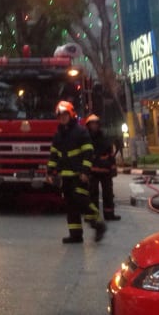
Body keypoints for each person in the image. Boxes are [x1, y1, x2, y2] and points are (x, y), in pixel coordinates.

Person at [47, 101, 107, 244]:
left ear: (71, 114)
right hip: (66, 177)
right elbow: (54, 155)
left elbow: (88, 152)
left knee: (81, 200)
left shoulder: (80, 132)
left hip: (79, 175)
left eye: (65, 115)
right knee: (70, 205)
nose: (62, 118)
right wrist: (50, 172)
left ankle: (98, 224)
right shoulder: (58, 135)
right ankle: (75, 234)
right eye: (60, 116)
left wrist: (85, 171)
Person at [85, 114, 120, 221]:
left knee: (108, 194)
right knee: (92, 195)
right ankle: (93, 216)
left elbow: (110, 155)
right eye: (92, 124)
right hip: (92, 172)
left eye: (95, 123)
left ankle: (109, 215)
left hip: (105, 172)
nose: (94, 126)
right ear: (88, 125)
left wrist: (113, 169)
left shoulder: (104, 138)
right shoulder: (85, 139)